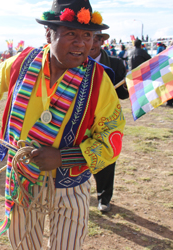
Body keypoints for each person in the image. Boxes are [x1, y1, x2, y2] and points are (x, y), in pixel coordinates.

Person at [0, 0, 125, 249]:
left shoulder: (99, 81)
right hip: (22, 179)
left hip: (69, 186)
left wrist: (62, 158)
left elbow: (111, 139)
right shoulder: (22, 62)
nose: (81, 42)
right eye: (71, 33)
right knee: (23, 244)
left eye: (87, 35)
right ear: (48, 33)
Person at [89, 31, 129, 212]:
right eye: (86, 36)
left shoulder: (114, 63)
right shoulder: (70, 61)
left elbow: (123, 94)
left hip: (104, 121)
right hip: (76, 121)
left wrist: (127, 84)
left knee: (104, 158)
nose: (90, 43)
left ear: (100, 41)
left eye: (95, 38)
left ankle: (104, 197)